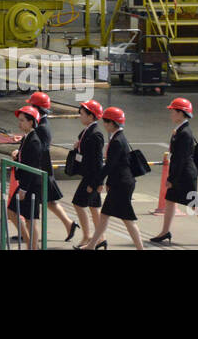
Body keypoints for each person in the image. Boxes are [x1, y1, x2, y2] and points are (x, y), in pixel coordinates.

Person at [151, 97, 198, 244]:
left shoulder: (184, 133)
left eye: (173, 111)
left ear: (181, 113)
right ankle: (165, 231)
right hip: (182, 173)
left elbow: (180, 159)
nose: (171, 114)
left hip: (185, 175)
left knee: (194, 204)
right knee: (169, 200)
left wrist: (171, 179)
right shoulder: (181, 130)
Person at [82, 106, 144, 250]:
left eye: (105, 121)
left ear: (111, 123)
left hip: (121, 184)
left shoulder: (116, 141)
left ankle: (141, 248)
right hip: (120, 182)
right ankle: (91, 245)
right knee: (105, 216)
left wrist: (95, 182)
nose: (103, 124)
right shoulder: (119, 138)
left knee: (127, 219)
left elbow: (109, 166)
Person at [27, 91, 78, 241]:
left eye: (31, 105)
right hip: (43, 169)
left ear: (37, 108)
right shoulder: (41, 124)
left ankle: (29, 232)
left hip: (40, 169)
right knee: (49, 201)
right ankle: (69, 224)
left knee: (36, 202)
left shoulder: (42, 127)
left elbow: (39, 149)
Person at [69, 100, 104, 249]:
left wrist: (96, 183)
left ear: (91, 116)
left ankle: (87, 236)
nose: (80, 116)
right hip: (89, 176)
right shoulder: (86, 132)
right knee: (93, 207)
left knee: (78, 203)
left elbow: (97, 162)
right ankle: (101, 238)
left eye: (82, 114)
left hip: (92, 177)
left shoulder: (95, 134)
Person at [8, 105, 45, 249]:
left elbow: (32, 166)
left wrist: (23, 188)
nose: (20, 123)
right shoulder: (26, 137)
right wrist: (17, 157)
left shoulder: (34, 140)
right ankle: (29, 242)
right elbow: (25, 160)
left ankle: (33, 246)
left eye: (22, 120)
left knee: (31, 219)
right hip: (25, 183)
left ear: (31, 122)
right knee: (11, 212)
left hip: (31, 185)